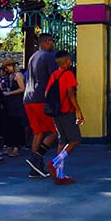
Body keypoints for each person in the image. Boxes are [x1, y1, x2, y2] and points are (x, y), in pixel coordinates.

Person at [45, 50, 84, 185]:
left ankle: (60, 175)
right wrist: (78, 110)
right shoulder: (68, 74)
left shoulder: (54, 75)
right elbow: (71, 94)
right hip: (67, 111)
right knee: (75, 140)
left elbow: (46, 93)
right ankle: (54, 163)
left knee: (62, 141)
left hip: (56, 112)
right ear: (67, 62)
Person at [23, 32, 58, 179]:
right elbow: (54, 79)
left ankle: (34, 169)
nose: (53, 45)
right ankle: (36, 158)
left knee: (38, 132)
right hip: (41, 99)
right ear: (47, 42)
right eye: (52, 42)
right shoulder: (50, 57)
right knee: (55, 131)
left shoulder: (32, 57)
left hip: (28, 98)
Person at [0, 57, 26, 157]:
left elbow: (22, 88)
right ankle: (9, 145)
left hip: (16, 103)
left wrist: (9, 93)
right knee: (8, 125)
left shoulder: (17, 75)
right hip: (8, 104)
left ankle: (16, 147)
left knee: (16, 125)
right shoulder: (7, 77)